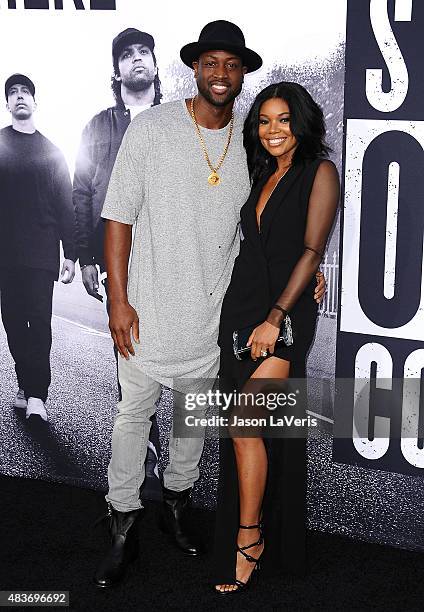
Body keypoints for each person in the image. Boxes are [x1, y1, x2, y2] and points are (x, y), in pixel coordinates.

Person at [94, 21, 325, 588]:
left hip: (213, 319)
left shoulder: (251, 145)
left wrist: (307, 275)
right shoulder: (150, 129)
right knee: (132, 418)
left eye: (231, 64)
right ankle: (122, 525)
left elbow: (275, 225)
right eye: (210, 63)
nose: (220, 74)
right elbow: (118, 215)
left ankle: (175, 507)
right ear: (194, 68)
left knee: (191, 426)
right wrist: (119, 301)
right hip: (146, 311)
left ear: (243, 73)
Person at [213, 82, 340, 594]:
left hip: (281, 315)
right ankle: (264, 531)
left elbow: (312, 249)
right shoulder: (261, 171)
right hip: (242, 305)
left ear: (301, 122)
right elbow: (260, 243)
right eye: (264, 121)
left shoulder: (320, 171)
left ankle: (250, 539)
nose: (272, 130)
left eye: (283, 120)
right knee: (246, 430)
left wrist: (276, 315)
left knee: (246, 424)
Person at [73, 27, 162, 488]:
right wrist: (84, 256)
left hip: (169, 250)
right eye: (126, 55)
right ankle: (144, 440)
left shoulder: (178, 120)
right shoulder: (97, 127)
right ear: (118, 71)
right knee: (128, 343)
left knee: (164, 345)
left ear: (154, 63)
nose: (136, 60)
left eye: (143, 52)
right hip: (116, 252)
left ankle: (146, 427)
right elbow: (82, 189)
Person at [0, 74, 76, 423]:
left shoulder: (52, 151)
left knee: (39, 325)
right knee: (14, 324)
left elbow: (66, 204)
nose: (19, 97)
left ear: (34, 102)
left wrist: (72, 254)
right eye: (12, 93)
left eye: (25, 92)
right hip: (6, 254)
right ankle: (25, 379)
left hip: (41, 253)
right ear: (7, 104)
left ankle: (36, 397)